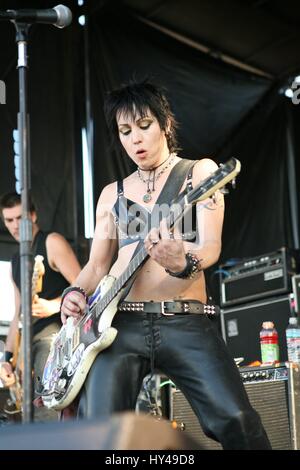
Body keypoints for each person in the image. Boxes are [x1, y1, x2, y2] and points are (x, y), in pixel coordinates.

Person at [60, 79, 271, 449]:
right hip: (119, 324)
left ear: (165, 124)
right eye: (125, 131)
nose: (135, 140)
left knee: (237, 419)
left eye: (144, 126)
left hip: (184, 318)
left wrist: (182, 261)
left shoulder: (200, 173)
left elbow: (211, 247)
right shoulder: (113, 193)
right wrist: (74, 292)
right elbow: (96, 267)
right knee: (97, 434)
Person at [0, 192, 81, 421]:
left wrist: (54, 305)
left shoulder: (51, 242)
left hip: (54, 338)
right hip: (27, 346)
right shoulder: (14, 262)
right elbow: (18, 314)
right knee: (28, 416)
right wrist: (7, 358)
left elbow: (85, 287)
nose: (15, 226)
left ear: (33, 216)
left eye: (20, 218)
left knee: (46, 409)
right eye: (9, 220)